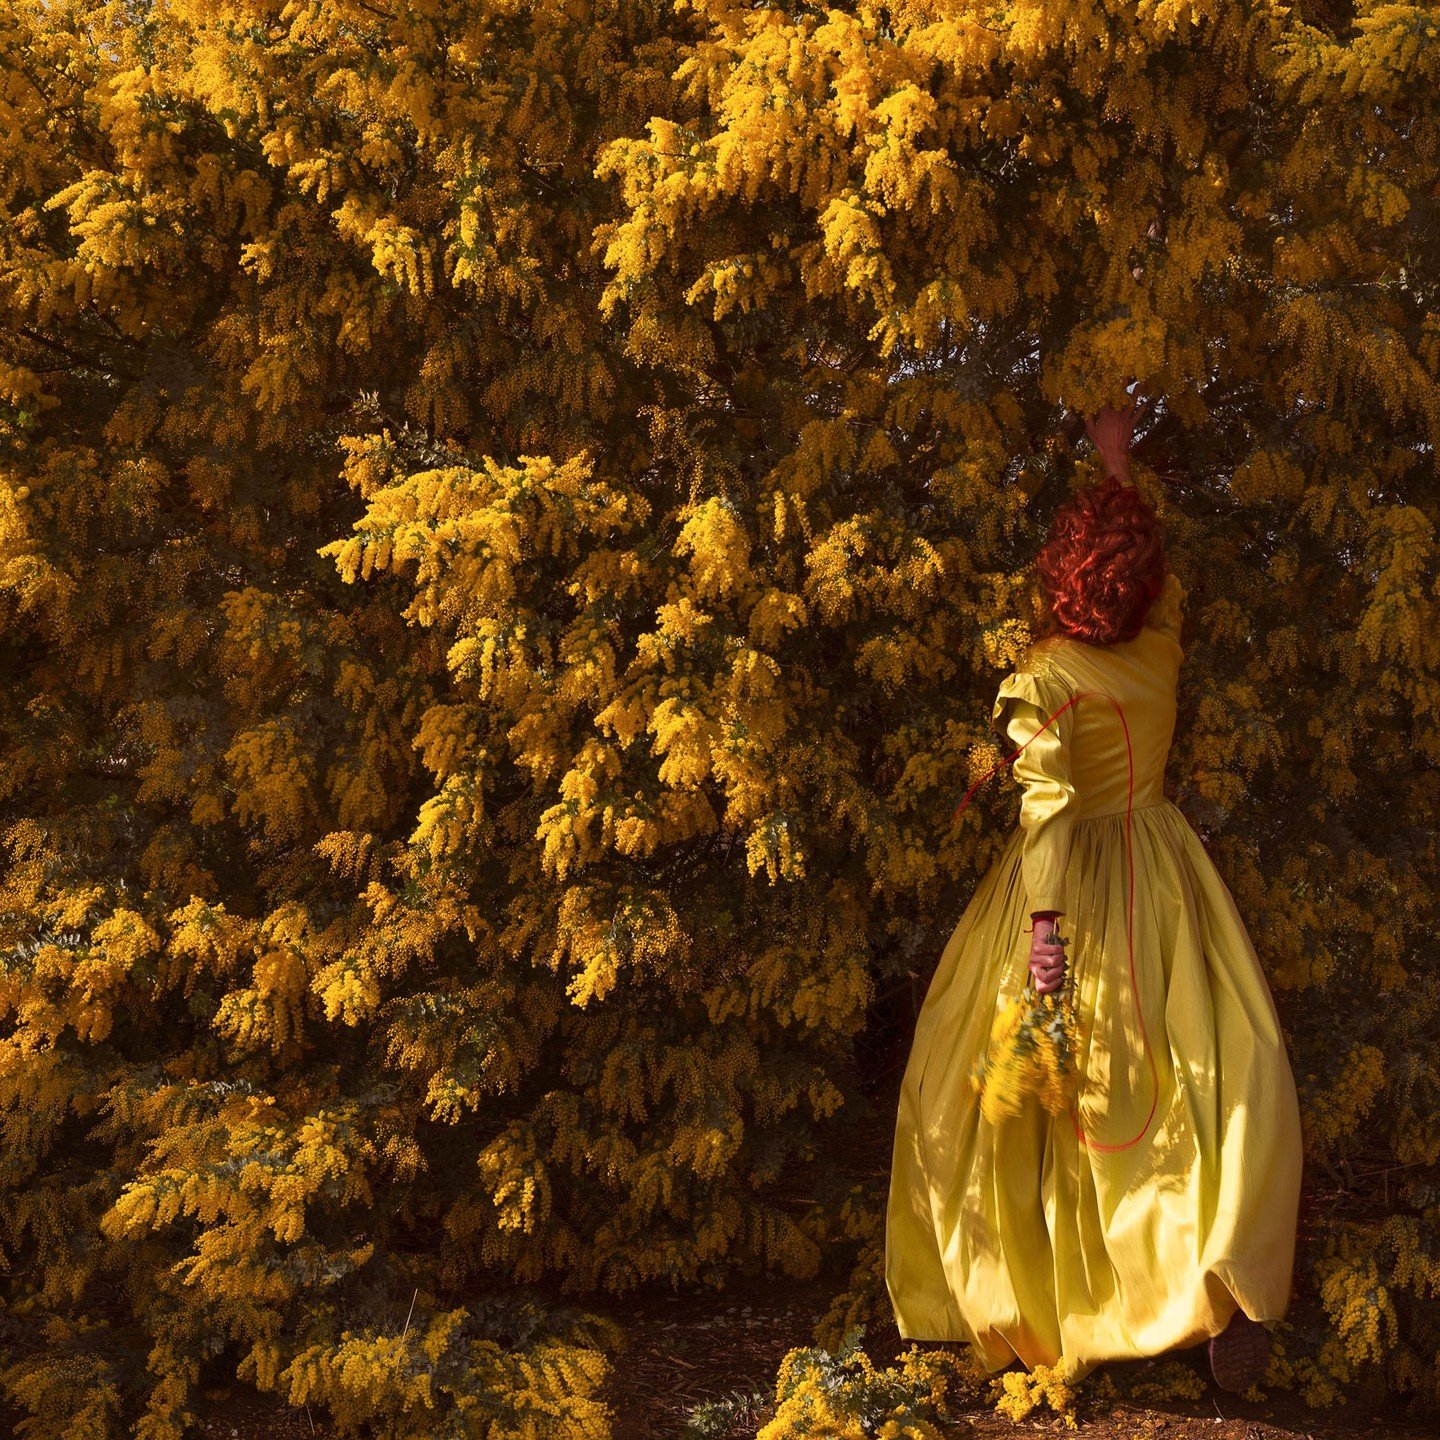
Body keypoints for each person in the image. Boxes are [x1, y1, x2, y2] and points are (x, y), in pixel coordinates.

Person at [884, 400, 1303, 1393]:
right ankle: (1213, 1289)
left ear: (1056, 575)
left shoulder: (1045, 677)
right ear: (1142, 580)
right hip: (1162, 869)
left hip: (1067, 882)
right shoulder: (1160, 643)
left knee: (1020, 1092)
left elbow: (1046, 821)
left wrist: (1041, 935)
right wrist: (1117, 464)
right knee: (1201, 1077)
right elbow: (1142, 567)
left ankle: (1039, 1301)